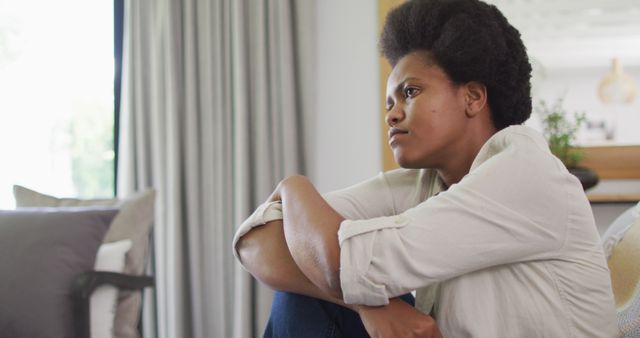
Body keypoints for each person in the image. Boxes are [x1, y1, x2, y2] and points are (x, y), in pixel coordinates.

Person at [233, 0, 618, 336]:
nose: (392, 114)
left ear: (472, 97)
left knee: (317, 280)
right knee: (303, 296)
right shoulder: (427, 181)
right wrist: (369, 307)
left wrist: (294, 186)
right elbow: (257, 241)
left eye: (411, 92)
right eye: (388, 103)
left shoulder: (526, 171)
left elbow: (337, 264)